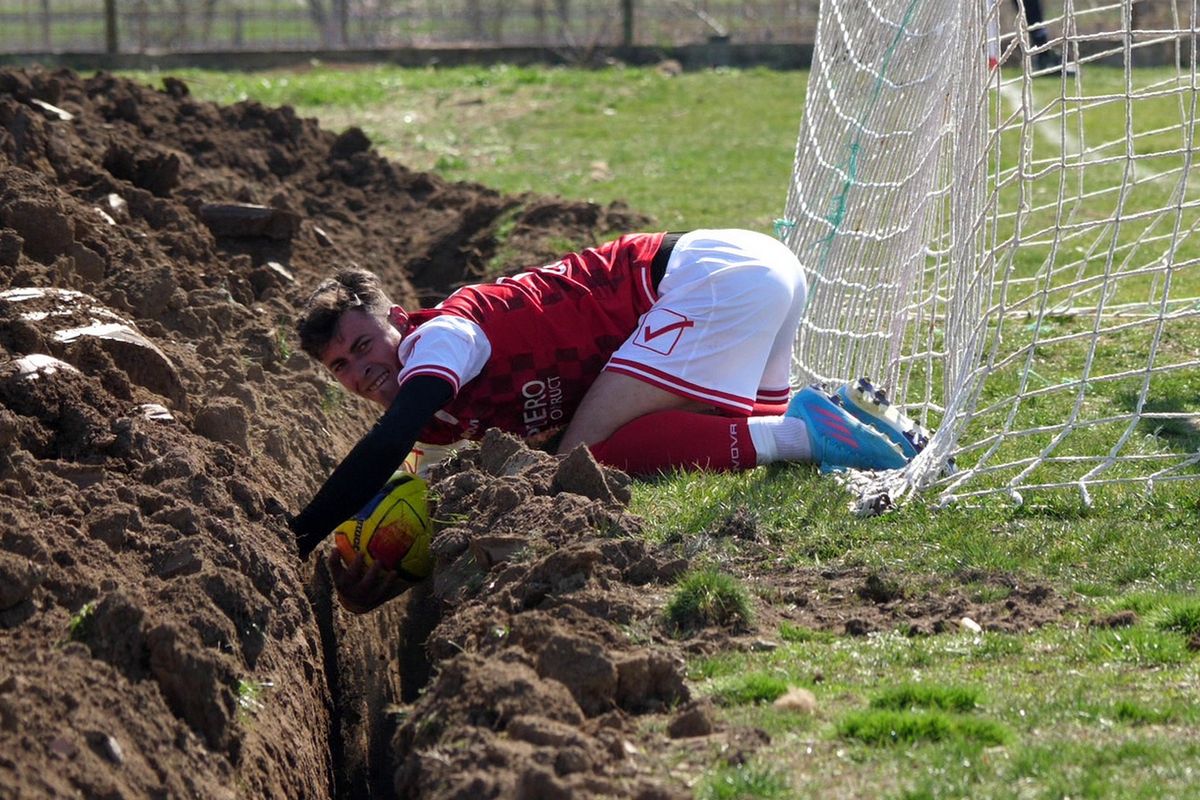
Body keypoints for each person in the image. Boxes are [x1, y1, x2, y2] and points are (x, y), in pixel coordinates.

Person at [289, 229, 925, 611]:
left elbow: (388, 442)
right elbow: (434, 502)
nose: (359, 370)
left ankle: (805, 431)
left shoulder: (441, 340)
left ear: (397, 318)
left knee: (584, 458)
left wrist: (301, 534)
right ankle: (846, 417)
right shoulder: (436, 418)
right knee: (690, 435)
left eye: (363, 345)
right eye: (340, 366)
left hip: (708, 279)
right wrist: (389, 573)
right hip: (748, 268)